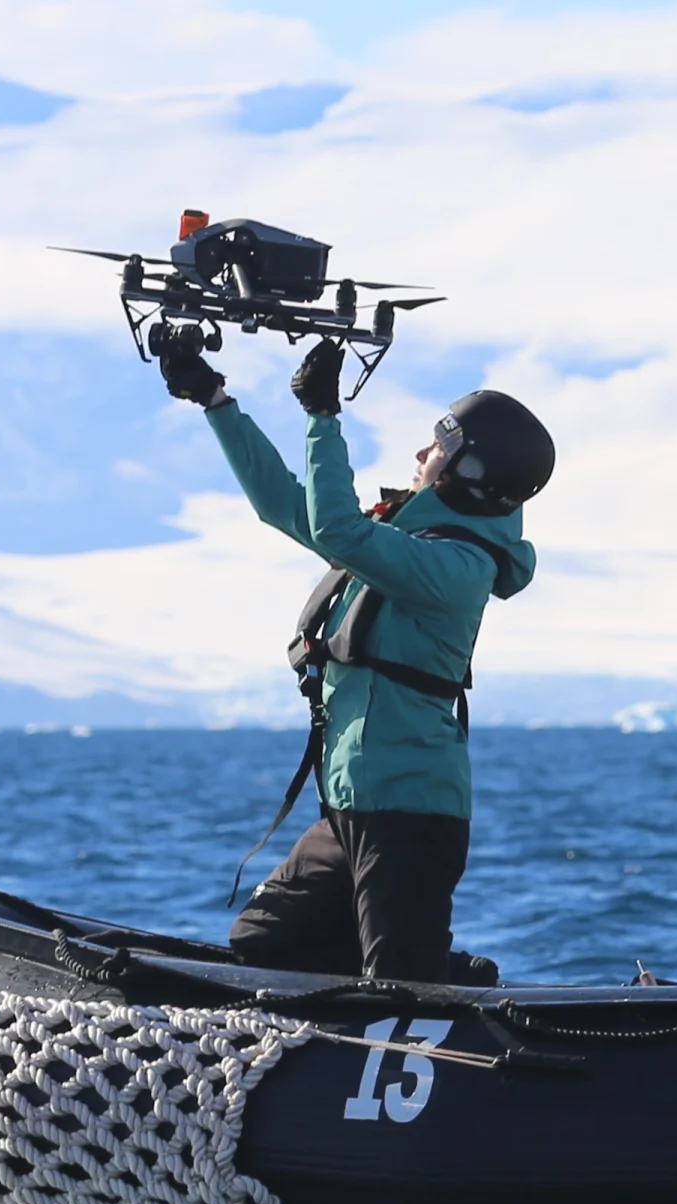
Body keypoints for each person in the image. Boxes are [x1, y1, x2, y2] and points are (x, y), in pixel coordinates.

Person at [158, 331, 551, 984]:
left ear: (469, 474)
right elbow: (287, 506)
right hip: (349, 802)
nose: (423, 453)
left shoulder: (457, 567)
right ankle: (425, 973)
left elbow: (338, 527)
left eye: (440, 447)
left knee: (400, 988)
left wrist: (323, 415)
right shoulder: (402, 539)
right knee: (264, 943)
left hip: (409, 810)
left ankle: (434, 986)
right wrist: (215, 400)